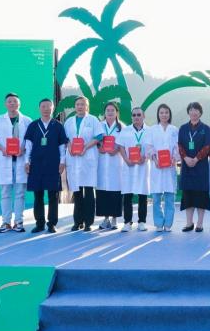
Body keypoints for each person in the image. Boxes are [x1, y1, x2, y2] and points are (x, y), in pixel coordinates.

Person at [0, 93, 33, 233]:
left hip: (21, 160)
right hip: (5, 160)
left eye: (15, 101)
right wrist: (2, 148)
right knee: (5, 193)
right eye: (9, 101)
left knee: (20, 193)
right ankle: (6, 222)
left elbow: (31, 141)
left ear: (19, 104)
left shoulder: (27, 121)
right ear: (5, 104)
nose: (12, 103)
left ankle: (19, 222)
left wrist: (23, 148)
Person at [24, 98, 68, 233]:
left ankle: (52, 224)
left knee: (53, 195)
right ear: (39, 108)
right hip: (36, 165)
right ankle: (39, 223)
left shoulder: (58, 125)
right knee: (38, 195)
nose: (46, 109)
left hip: (53, 164)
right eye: (43, 106)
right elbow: (28, 146)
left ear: (53, 108)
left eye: (49, 106)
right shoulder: (33, 125)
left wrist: (62, 162)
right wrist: (26, 161)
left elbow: (62, 146)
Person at [64, 96, 103, 232]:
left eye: (82, 104)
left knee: (89, 192)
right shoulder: (69, 121)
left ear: (87, 106)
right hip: (73, 158)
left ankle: (88, 222)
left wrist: (85, 147)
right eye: (77, 104)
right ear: (75, 106)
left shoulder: (93, 120)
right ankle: (77, 221)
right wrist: (69, 146)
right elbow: (65, 138)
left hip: (88, 157)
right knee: (77, 192)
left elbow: (99, 136)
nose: (80, 107)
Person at [177, 102, 210, 232]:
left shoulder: (206, 128)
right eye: (191, 110)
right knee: (188, 195)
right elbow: (179, 145)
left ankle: (200, 224)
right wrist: (186, 158)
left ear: (200, 112)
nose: (194, 112)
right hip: (186, 166)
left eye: (196, 110)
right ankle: (189, 223)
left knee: (201, 195)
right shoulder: (182, 128)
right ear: (188, 112)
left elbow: (208, 146)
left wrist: (196, 158)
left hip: (201, 167)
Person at [117, 106, 150, 231]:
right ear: (131, 117)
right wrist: (126, 160)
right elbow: (120, 147)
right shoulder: (126, 130)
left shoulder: (149, 131)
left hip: (143, 166)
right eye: (134, 115)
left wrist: (145, 158)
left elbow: (152, 147)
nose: (136, 117)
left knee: (142, 195)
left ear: (143, 116)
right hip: (129, 166)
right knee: (127, 194)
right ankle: (127, 222)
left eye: (139, 115)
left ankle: (142, 222)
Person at [147, 103, 179, 232]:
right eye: (161, 112)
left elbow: (177, 147)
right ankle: (159, 223)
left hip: (170, 167)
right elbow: (149, 147)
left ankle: (168, 224)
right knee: (156, 198)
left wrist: (174, 158)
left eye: (166, 112)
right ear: (158, 114)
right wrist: (155, 160)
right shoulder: (152, 129)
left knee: (170, 198)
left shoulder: (174, 129)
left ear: (169, 114)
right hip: (157, 167)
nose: (164, 115)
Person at [95, 102, 124, 230]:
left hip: (116, 162)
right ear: (104, 113)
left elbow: (124, 143)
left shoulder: (122, 127)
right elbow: (95, 140)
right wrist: (99, 147)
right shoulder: (99, 126)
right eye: (108, 110)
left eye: (113, 110)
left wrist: (117, 149)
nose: (110, 112)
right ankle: (105, 219)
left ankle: (114, 219)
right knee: (103, 191)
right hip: (102, 161)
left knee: (115, 191)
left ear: (117, 113)